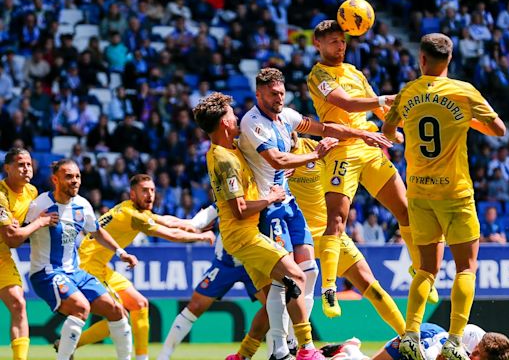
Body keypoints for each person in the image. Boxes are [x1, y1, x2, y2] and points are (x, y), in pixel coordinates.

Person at [238, 67, 392, 360]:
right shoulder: (253, 123)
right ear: (259, 94)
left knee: (309, 271)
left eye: (281, 93)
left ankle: (297, 346)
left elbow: (325, 128)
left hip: (288, 204)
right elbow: (278, 159)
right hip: (266, 207)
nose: (278, 98)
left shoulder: (287, 117)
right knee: (284, 279)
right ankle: (280, 349)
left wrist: (361, 134)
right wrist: (315, 155)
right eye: (272, 94)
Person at [382, 33, 506, 360]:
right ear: (449, 60)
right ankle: (453, 341)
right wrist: (467, 120)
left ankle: (410, 334)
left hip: (419, 193)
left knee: (426, 270)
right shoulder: (463, 91)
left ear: (421, 59)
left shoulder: (407, 92)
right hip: (455, 194)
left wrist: (404, 131)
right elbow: (498, 130)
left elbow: (387, 133)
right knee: (466, 268)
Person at [306, 19, 437, 318]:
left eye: (342, 41)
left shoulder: (354, 72)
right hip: (341, 150)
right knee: (336, 222)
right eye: (332, 41)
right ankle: (328, 289)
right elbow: (348, 103)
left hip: (369, 148)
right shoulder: (318, 75)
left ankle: (421, 272)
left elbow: (379, 110)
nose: (339, 46)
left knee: (405, 210)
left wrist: (403, 124)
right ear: (318, 45)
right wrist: (382, 100)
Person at [193, 91, 337, 360]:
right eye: (231, 115)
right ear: (224, 123)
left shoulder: (231, 149)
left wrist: (281, 172)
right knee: (297, 277)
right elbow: (239, 210)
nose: (236, 118)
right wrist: (270, 197)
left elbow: (261, 168)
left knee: (275, 296)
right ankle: (306, 349)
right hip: (243, 235)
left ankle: (243, 355)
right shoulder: (223, 160)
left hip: (248, 231)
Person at [68, 174, 215, 360]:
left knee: (140, 304)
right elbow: (170, 234)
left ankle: (142, 358)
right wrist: (201, 236)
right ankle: (70, 343)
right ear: (132, 194)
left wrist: (194, 224)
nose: (150, 195)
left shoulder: (138, 211)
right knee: (120, 315)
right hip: (86, 266)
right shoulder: (132, 215)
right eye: (144, 190)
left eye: (152, 190)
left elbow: (169, 221)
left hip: (100, 266)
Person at [287, 133, 405, 336]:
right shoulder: (269, 155)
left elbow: (348, 156)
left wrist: (368, 140)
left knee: (371, 286)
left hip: (329, 236)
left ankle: (408, 336)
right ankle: (291, 349)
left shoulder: (317, 148)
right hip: (295, 239)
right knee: (287, 297)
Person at [25, 159, 139, 360]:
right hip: (47, 273)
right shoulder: (40, 204)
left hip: (75, 272)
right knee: (81, 307)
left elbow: (97, 232)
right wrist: (36, 222)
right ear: (55, 179)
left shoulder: (82, 205)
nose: (75, 181)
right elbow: (19, 234)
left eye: (77, 176)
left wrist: (121, 252)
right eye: (68, 176)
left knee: (117, 311)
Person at [158, 205, 269, 360]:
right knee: (194, 306)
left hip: (254, 261)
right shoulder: (228, 195)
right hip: (226, 263)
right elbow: (205, 216)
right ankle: (163, 356)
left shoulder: (263, 195)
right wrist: (192, 224)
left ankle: (273, 354)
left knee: (274, 308)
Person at [0, 148, 58, 360]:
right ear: (7, 168)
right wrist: (39, 222)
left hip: (2, 257)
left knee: (18, 303)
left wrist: (22, 225)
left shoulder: (32, 192)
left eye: (28, 164)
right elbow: (13, 239)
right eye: (20, 164)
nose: (26, 168)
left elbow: (20, 232)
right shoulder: (0, 195)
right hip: (6, 245)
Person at [321, 323, 509, 360]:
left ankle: (352, 349)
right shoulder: (472, 336)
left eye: (478, 355)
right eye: (476, 352)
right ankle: (350, 349)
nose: (474, 355)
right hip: (422, 339)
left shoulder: (489, 349)